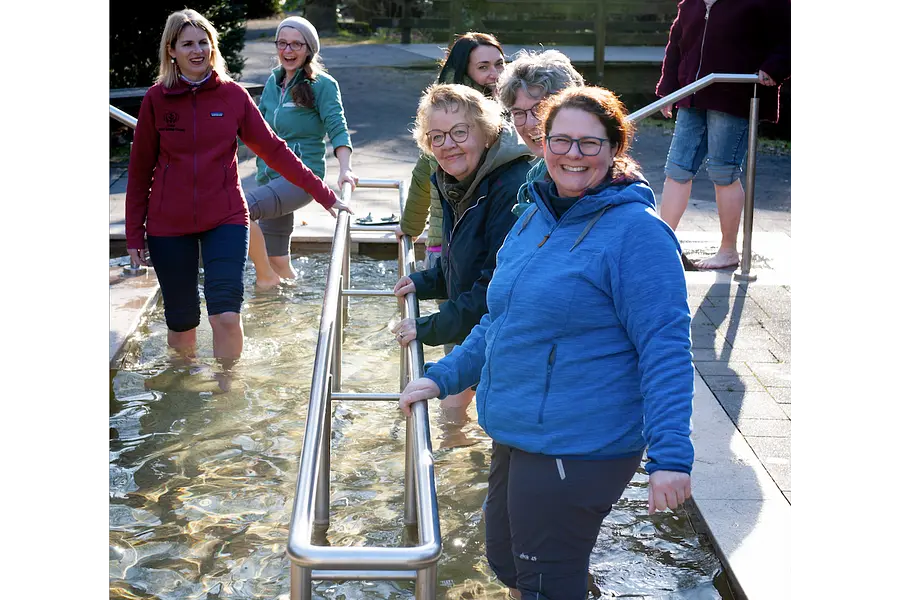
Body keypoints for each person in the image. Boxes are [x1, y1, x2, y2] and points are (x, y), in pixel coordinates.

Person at [398, 86, 694, 599]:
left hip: (578, 442)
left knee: (543, 580)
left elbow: (665, 348)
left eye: (589, 144)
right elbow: (499, 320)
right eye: (561, 141)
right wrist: (441, 375)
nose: (572, 155)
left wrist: (670, 456)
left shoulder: (637, 234)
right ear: (543, 141)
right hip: (518, 427)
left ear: (614, 147)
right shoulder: (535, 214)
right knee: (509, 563)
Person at [126, 8, 351, 366]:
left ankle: (226, 393)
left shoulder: (232, 96)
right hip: (168, 224)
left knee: (226, 315)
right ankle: (183, 396)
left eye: (204, 43)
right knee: (182, 322)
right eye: (188, 44)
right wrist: (134, 235)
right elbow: (139, 173)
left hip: (225, 218)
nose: (198, 51)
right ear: (171, 50)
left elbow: (275, 150)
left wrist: (325, 196)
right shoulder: (156, 99)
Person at [391, 83, 532, 411]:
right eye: (436, 137)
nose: (447, 145)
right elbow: (467, 256)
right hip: (479, 327)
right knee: (451, 414)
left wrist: (428, 327)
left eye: (459, 132)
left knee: (481, 419)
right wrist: (427, 281)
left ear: (486, 132)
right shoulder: (454, 178)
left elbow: (495, 286)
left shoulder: (510, 187)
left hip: (505, 335)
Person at [655, 0, 791, 269]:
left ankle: (728, 250)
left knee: (723, 171)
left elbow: (788, 36)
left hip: (732, 94)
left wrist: (773, 67)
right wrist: (669, 89)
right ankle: (660, 244)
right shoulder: (691, 3)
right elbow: (676, 45)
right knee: (677, 169)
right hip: (691, 94)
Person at [246, 16, 358, 289]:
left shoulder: (323, 85)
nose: (288, 50)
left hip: (300, 179)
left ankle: (266, 277)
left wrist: (345, 169)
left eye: (296, 44)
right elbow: (255, 129)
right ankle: (283, 304)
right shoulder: (273, 83)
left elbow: (338, 129)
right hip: (269, 177)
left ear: (309, 49)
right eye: (282, 43)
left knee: (237, 209)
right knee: (278, 259)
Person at [398, 32, 506, 275]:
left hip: (490, 242)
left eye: (500, 64)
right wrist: (410, 228)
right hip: (447, 243)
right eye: (484, 67)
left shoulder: (511, 108)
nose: (495, 74)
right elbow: (422, 175)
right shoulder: (447, 115)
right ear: (465, 72)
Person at [494, 48, 584, 216]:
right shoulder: (535, 179)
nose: (530, 123)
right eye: (518, 113)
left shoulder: (591, 176)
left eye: (540, 109)